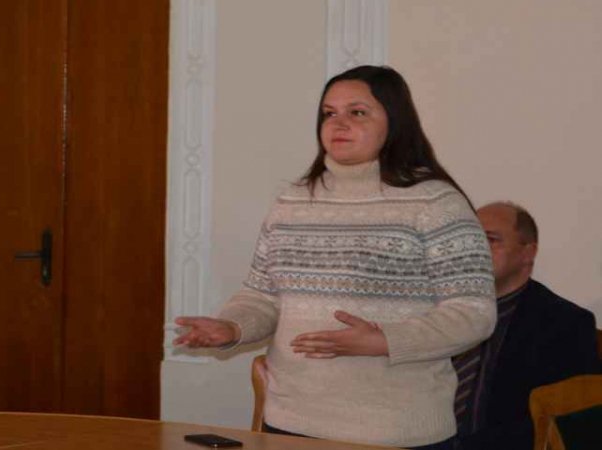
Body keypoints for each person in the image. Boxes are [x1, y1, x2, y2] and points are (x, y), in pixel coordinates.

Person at [174, 65, 496, 449]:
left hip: (395, 431)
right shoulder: (293, 202)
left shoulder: (436, 203)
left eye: (357, 112)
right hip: (289, 422)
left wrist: (384, 340)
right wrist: (232, 327)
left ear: (395, 122)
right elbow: (263, 296)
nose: (339, 123)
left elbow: (473, 314)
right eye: (329, 113)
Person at [455, 202, 599, 450]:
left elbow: (568, 422)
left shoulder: (565, 324)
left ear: (528, 253)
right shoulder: (443, 311)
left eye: (490, 239)